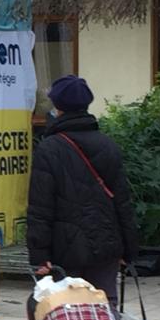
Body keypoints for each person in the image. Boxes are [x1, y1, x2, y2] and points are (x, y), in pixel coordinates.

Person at [26, 74, 139, 307]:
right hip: (107, 244)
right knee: (105, 307)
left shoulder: (49, 149)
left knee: (70, 313)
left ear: (58, 106)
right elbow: (123, 202)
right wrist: (128, 249)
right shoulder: (108, 145)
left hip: (66, 249)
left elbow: (40, 207)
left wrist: (39, 255)